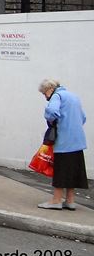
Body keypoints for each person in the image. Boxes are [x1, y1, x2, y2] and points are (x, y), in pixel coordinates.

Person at [37, 79, 88, 210]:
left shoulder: (57, 96)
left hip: (64, 141)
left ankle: (56, 200)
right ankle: (70, 201)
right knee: (72, 171)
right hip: (77, 140)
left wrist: (50, 119)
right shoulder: (73, 96)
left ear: (49, 89)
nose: (45, 97)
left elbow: (52, 112)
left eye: (44, 94)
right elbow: (83, 117)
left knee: (61, 170)